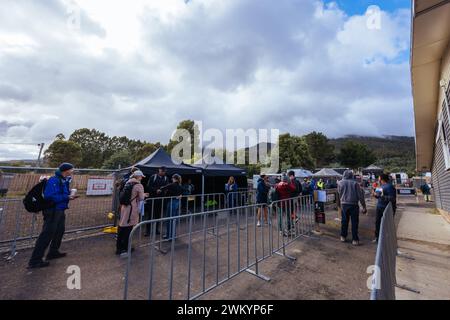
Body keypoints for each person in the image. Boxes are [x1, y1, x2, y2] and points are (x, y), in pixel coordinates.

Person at [28, 163, 78, 269]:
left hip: (60, 210)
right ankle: (35, 260)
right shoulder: (54, 180)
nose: (72, 172)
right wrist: (67, 197)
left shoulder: (63, 180)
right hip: (52, 210)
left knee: (59, 231)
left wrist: (69, 194)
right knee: (46, 234)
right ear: (66, 170)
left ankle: (53, 252)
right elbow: (49, 196)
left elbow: (60, 193)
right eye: (71, 170)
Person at [116, 170, 147, 256]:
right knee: (128, 228)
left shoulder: (127, 183)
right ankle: (126, 247)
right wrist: (144, 195)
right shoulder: (139, 185)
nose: (141, 178)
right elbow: (141, 198)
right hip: (131, 208)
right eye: (141, 177)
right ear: (138, 177)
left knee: (121, 227)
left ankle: (119, 247)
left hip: (124, 207)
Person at [338, 170, 367, 246]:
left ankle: (343, 236)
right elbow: (360, 196)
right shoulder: (355, 183)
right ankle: (355, 239)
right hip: (354, 205)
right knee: (354, 222)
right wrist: (364, 206)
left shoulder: (340, 183)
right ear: (351, 175)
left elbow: (339, 194)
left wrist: (341, 203)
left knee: (344, 221)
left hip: (344, 205)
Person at [145, 166, 169, 236]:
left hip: (160, 200)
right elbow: (148, 186)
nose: (163, 172)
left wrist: (164, 190)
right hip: (152, 199)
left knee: (158, 216)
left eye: (164, 171)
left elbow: (167, 187)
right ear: (159, 170)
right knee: (150, 215)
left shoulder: (166, 178)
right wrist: (156, 190)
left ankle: (156, 230)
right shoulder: (153, 177)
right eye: (162, 171)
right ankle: (148, 231)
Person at [373, 174, 397, 243]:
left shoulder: (390, 186)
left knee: (387, 224)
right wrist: (375, 195)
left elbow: (392, 198)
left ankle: (387, 240)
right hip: (379, 207)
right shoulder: (380, 186)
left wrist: (382, 196)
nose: (378, 179)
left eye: (379, 178)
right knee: (378, 223)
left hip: (386, 209)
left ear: (382, 179)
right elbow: (379, 196)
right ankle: (377, 238)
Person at [161, 174, 184, 240]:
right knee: (174, 219)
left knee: (169, 219)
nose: (172, 179)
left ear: (174, 178)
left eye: (172, 178)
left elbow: (162, 188)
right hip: (178, 202)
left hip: (171, 202)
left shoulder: (172, 185)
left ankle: (169, 236)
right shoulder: (180, 185)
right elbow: (184, 191)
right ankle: (172, 235)